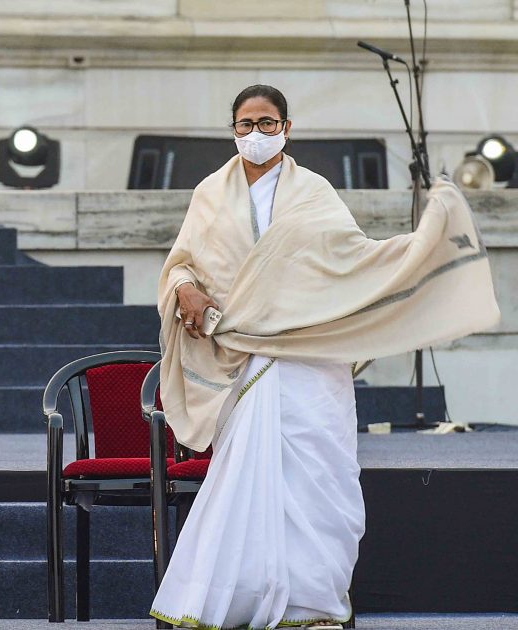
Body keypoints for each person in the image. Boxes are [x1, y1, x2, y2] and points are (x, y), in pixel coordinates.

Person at [150, 85, 499, 630]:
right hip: (243, 358)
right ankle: (240, 600)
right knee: (249, 480)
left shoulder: (313, 192)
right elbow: (182, 262)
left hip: (310, 358)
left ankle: (312, 608)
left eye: (267, 123)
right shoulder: (208, 194)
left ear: (287, 128)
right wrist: (186, 288)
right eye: (245, 124)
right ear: (232, 129)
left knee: (317, 481)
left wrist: (419, 245)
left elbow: (350, 264)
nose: (256, 134)